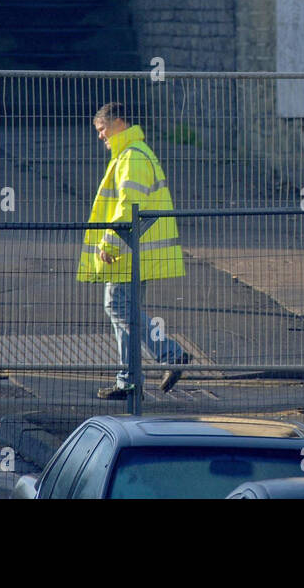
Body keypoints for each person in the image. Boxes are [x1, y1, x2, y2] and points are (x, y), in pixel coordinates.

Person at [78, 102, 192, 399]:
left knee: (119, 307)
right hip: (134, 250)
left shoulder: (132, 157)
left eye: (102, 129)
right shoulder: (131, 155)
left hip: (127, 251)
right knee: (124, 311)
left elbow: (129, 206)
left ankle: (168, 354)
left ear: (118, 123)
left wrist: (109, 243)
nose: (100, 136)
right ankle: (129, 381)